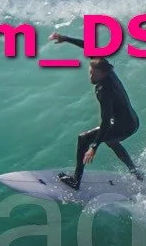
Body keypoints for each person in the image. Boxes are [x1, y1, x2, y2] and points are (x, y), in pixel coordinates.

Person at [49, 33, 141, 188]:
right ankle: (135, 172)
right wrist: (66, 38)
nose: (90, 76)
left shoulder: (104, 90)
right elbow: (89, 47)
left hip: (124, 126)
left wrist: (93, 147)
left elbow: (106, 122)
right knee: (111, 140)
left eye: (94, 74)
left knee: (83, 138)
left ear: (103, 74)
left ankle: (76, 180)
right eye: (90, 72)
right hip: (132, 120)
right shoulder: (104, 67)